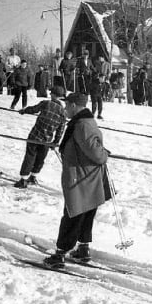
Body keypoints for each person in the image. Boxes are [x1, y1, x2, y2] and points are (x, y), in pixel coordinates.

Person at [43, 91, 111, 268]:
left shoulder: (82, 125)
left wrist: (104, 155)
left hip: (82, 178)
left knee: (73, 214)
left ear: (74, 105)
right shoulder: (83, 122)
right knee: (85, 213)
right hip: (85, 176)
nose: (65, 109)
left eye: (67, 106)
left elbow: (97, 154)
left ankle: (60, 254)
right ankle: (82, 249)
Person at [14, 86, 67, 189]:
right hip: (47, 141)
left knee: (30, 156)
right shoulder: (63, 113)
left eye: (51, 93)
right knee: (40, 159)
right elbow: (60, 130)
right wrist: (55, 142)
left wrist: (24, 111)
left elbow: (34, 109)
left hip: (34, 136)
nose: (50, 94)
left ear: (53, 95)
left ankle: (23, 180)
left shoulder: (46, 103)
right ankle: (33, 177)